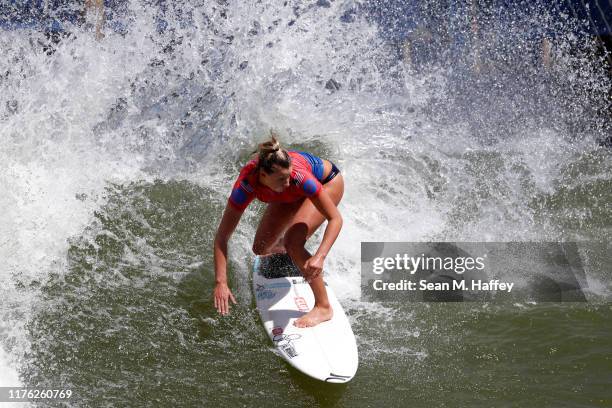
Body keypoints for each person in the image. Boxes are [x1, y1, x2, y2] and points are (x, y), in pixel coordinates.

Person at [212, 133, 344, 328]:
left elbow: (336, 218)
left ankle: (323, 307)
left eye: (288, 176)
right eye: (282, 179)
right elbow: (222, 236)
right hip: (287, 196)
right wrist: (221, 282)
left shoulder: (298, 178)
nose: (288, 182)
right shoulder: (246, 186)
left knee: (292, 241)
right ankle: (293, 256)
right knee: (261, 248)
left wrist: (320, 256)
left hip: (327, 183)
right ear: (263, 176)